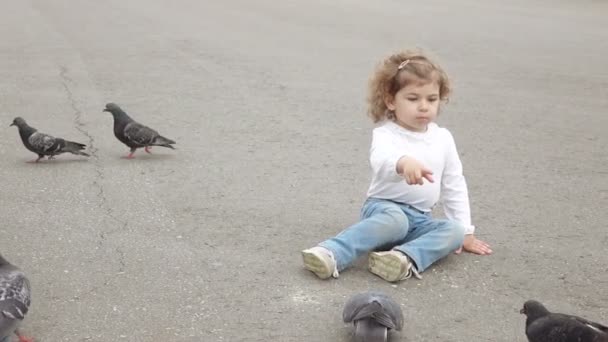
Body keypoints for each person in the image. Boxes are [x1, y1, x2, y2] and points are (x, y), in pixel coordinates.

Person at [301, 50, 492, 283]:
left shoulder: (443, 138)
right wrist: (402, 163)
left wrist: (466, 231)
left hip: (420, 219)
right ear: (391, 101)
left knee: (453, 231)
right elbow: (381, 161)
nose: (424, 106)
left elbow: (454, 183)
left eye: (431, 99)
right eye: (413, 99)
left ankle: (402, 259)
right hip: (383, 209)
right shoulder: (386, 135)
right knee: (396, 221)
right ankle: (331, 252)